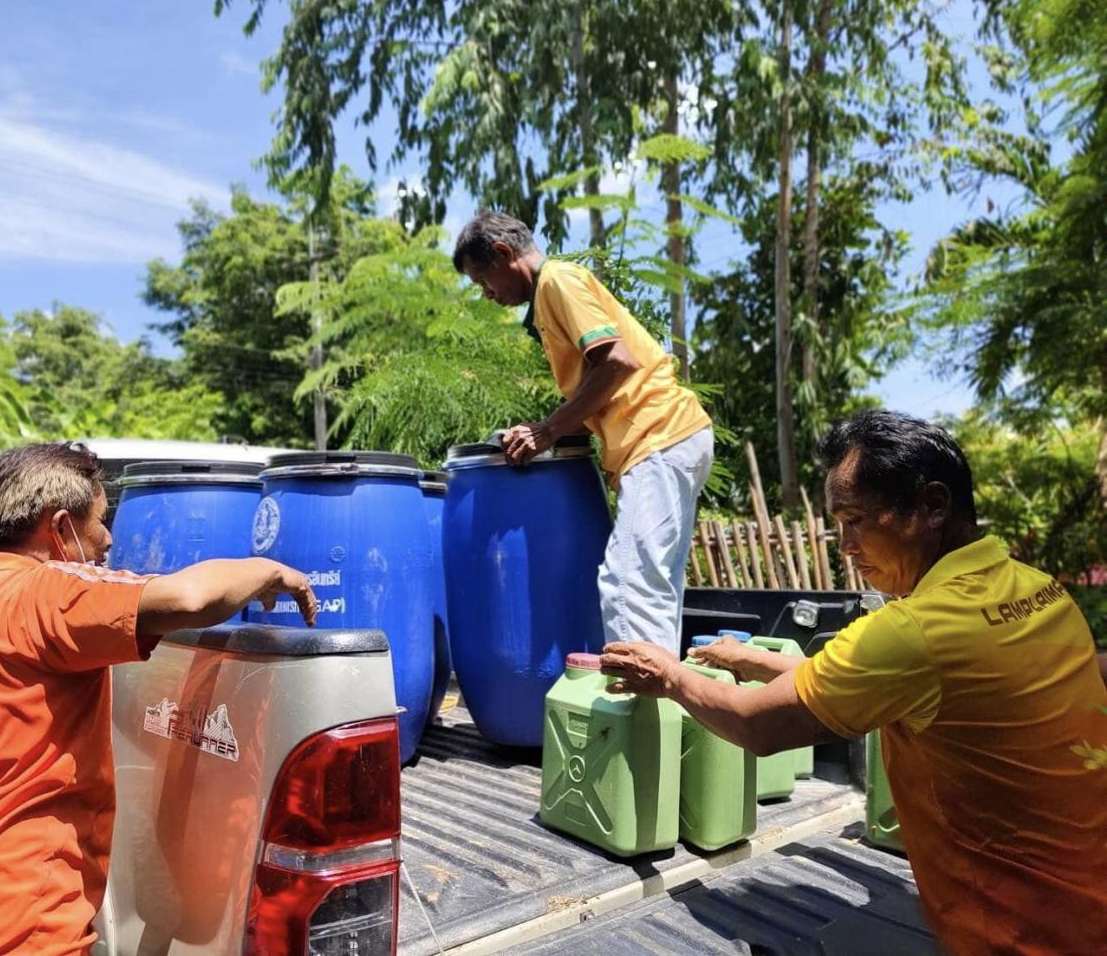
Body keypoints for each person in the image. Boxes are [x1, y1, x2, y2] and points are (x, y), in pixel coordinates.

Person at [600, 410, 1107, 955]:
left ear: (931, 507)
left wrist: (669, 676)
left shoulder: (915, 631)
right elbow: (884, 683)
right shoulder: (1037, 592)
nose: (844, 545)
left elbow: (758, 726)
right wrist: (753, 660)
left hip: (1021, 936)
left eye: (855, 519)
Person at [0, 442, 318, 956]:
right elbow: (187, 598)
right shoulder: (43, 593)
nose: (109, 539)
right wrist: (269, 570)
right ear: (61, 530)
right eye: (101, 520)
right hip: (20, 927)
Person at [453, 210, 713, 653]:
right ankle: (666, 709)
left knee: (627, 584)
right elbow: (601, 376)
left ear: (503, 253)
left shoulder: (557, 281)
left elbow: (616, 362)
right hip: (667, 437)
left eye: (484, 282)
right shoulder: (551, 294)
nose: (488, 295)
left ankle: (640, 712)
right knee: (653, 587)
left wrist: (546, 432)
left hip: (657, 434)